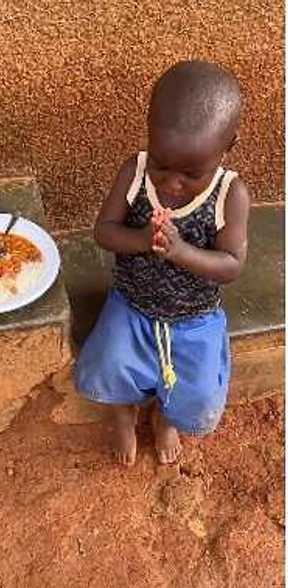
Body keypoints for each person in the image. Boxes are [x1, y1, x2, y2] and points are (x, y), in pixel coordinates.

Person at [75, 60, 251, 466]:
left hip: (194, 317)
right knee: (109, 364)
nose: (172, 184)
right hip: (132, 303)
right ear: (149, 133)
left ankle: (167, 420)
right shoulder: (135, 172)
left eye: (191, 173)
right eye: (161, 165)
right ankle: (123, 414)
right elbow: (104, 231)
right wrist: (140, 240)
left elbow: (231, 266)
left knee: (198, 391)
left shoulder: (230, 194)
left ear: (229, 145)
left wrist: (181, 251)